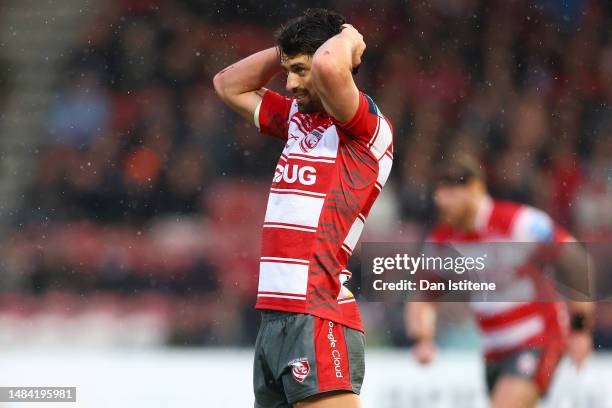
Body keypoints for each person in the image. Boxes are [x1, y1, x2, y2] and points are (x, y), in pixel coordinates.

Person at [213, 9, 393, 408]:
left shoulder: (364, 131)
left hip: (317, 312)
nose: (290, 83)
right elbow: (227, 84)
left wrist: (347, 36)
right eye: (286, 70)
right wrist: (286, 49)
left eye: (299, 70)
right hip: (274, 318)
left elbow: (329, 65)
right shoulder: (298, 120)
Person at [404, 155, 594, 408]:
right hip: (493, 350)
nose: (441, 200)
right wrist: (423, 339)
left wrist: (580, 328)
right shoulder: (441, 242)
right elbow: (424, 296)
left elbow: (576, 260)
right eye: (439, 190)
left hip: (538, 337)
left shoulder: (516, 222)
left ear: (476, 190)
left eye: (450, 190)